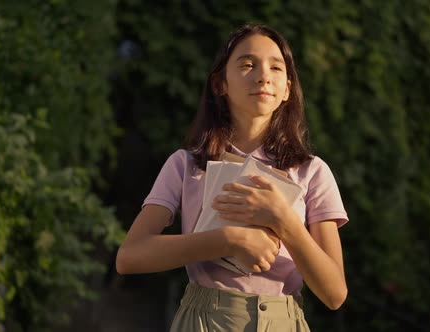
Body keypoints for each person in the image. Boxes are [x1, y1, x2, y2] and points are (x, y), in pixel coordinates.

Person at [116, 23, 349, 331]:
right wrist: (229, 240)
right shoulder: (186, 165)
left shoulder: (312, 171)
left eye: (276, 67)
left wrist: (283, 219)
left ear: (287, 89)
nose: (263, 75)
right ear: (220, 84)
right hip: (203, 319)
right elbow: (130, 257)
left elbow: (334, 293)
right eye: (247, 64)